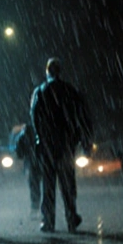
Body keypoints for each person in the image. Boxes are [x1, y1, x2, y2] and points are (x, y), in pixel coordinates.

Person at [30, 57, 91, 232]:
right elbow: (82, 116)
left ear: (47, 71)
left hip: (49, 144)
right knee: (67, 184)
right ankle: (71, 217)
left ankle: (48, 221)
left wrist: (39, 137)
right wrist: (84, 139)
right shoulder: (70, 91)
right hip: (66, 143)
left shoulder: (40, 91)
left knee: (48, 184)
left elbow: (35, 116)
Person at [10, 123, 41, 211]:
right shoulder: (41, 134)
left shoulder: (24, 136)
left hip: (32, 163)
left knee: (34, 184)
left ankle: (36, 205)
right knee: (44, 184)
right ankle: (44, 207)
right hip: (40, 161)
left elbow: (19, 153)